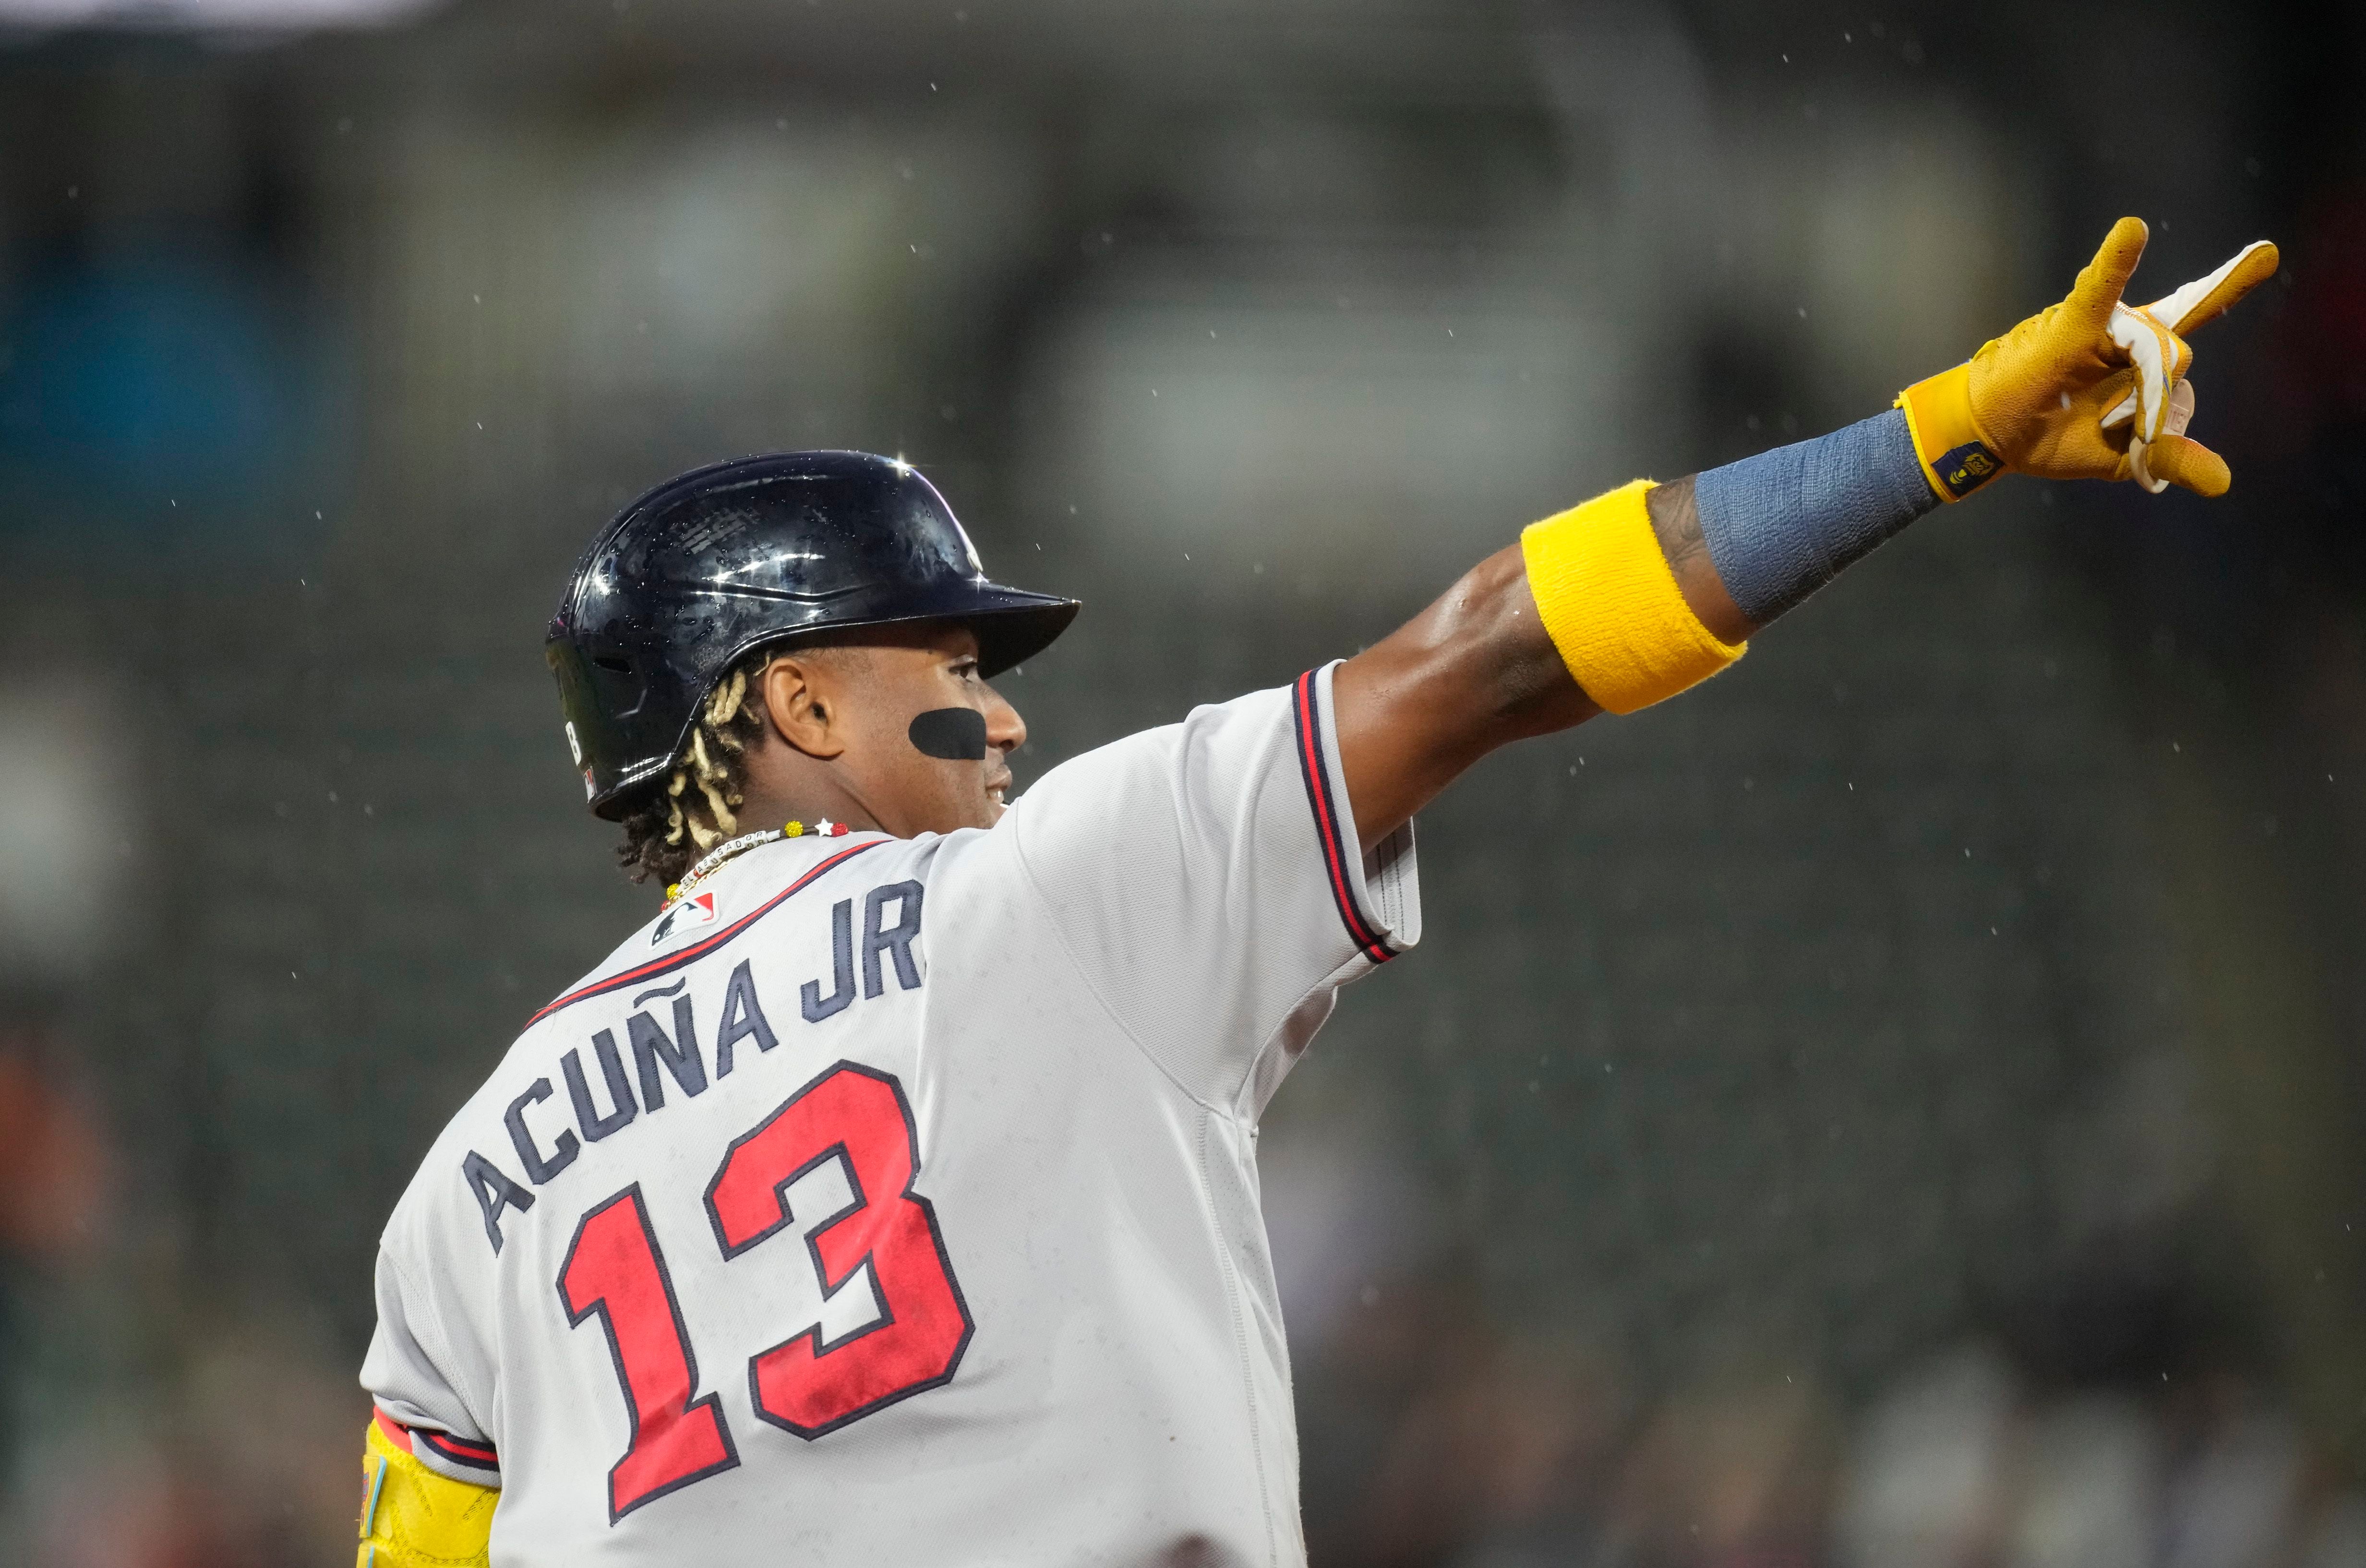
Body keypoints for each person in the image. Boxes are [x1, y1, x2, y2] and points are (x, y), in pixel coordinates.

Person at [353, 218, 2274, 1567]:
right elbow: (1492, 656)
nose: (996, 723)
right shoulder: (1043, 902)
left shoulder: (460, 1200)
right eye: (949, 669)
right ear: (796, 694)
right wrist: (1927, 443)